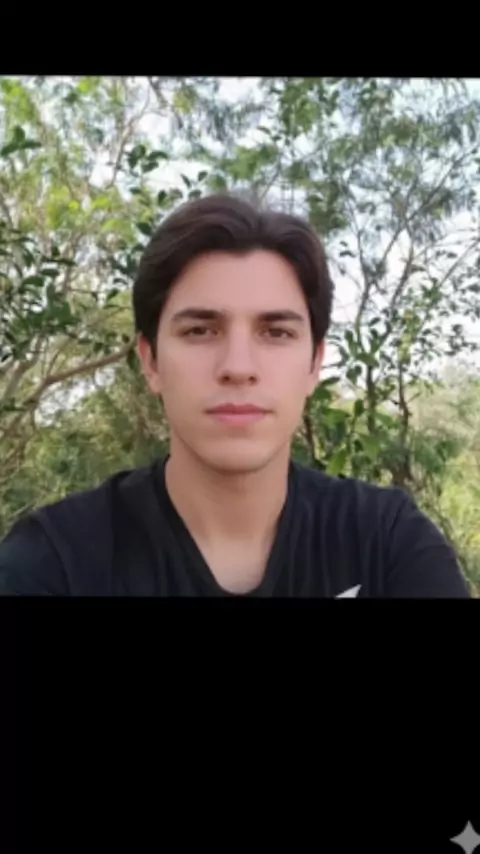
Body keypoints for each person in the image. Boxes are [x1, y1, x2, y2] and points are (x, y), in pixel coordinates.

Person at [0, 193, 471, 597]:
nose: (238, 367)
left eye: (276, 332)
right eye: (200, 330)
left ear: (314, 364)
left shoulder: (388, 544)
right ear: (151, 361)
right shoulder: (55, 562)